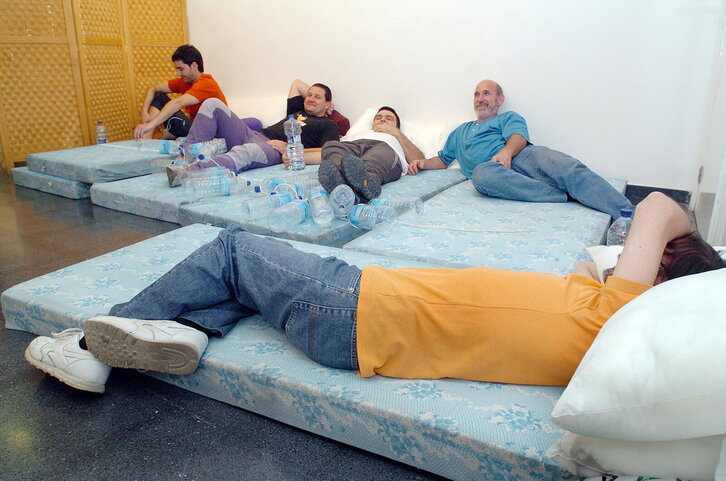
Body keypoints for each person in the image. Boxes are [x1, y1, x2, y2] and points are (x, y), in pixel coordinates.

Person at [24, 193, 724, 393]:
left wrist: (687, 247)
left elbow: (659, 204)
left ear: (659, 273)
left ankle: (88, 344)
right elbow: (606, 260)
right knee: (247, 284)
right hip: (358, 312)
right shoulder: (600, 321)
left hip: (355, 306)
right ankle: (187, 331)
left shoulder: (614, 314)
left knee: (230, 249)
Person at [407, 80, 633, 220]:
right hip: (493, 172)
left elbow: (518, 137)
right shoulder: (460, 131)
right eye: (476, 94)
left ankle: (630, 215)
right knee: (481, 175)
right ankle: (563, 195)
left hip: (523, 157)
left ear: (500, 99)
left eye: (486, 93)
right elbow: (443, 160)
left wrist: (506, 152)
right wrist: (423, 163)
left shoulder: (507, 117)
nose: (480, 98)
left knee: (568, 168)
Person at [165, 80, 341, 186]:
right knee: (212, 104)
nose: (310, 99)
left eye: (317, 97)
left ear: (327, 104)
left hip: (274, 150)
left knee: (245, 152)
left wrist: (289, 148)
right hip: (253, 134)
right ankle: (187, 157)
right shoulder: (296, 110)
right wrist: (318, 97)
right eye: (309, 95)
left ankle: (189, 172)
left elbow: (326, 153)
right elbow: (296, 84)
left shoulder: (329, 124)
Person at [318, 106, 425, 202]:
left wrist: (397, 133)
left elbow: (419, 159)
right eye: (378, 117)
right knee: (330, 145)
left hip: (385, 148)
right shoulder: (359, 133)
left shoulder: (401, 137)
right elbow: (334, 151)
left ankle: (365, 181)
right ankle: (341, 180)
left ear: (397, 126)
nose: (382, 119)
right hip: (355, 146)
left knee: (376, 157)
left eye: (389, 118)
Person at [134, 45, 227, 140]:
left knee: (173, 119)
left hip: (212, 135)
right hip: (194, 129)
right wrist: (144, 112)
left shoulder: (207, 83)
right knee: (159, 96)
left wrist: (149, 125)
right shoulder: (184, 82)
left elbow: (178, 103)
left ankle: (169, 134)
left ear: (194, 66)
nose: (178, 73)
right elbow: (153, 89)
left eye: (181, 69)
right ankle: (147, 139)